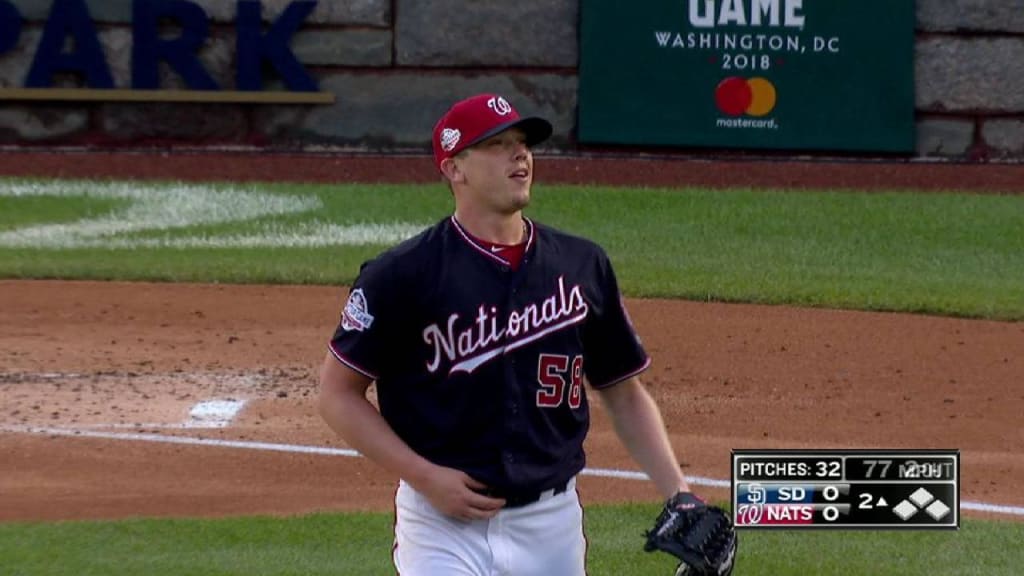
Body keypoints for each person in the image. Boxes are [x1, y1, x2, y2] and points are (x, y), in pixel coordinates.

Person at [319, 93, 699, 575]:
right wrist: (425, 477)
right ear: (455, 168)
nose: (520, 154)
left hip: (552, 524)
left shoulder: (581, 264)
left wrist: (679, 493)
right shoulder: (401, 275)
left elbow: (623, 392)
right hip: (440, 525)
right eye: (498, 145)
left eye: (523, 143)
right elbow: (336, 394)